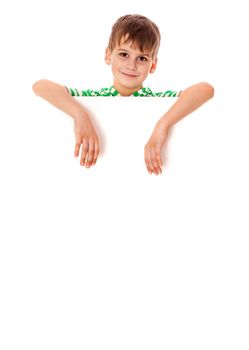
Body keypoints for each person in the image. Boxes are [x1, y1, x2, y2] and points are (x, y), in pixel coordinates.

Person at [32, 14, 214, 175]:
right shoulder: (95, 97)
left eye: (142, 58)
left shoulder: (158, 99)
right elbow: (40, 86)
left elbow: (206, 89)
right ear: (108, 55)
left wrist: (162, 125)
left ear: (153, 65)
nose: (131, 65)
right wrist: (80, 115)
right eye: (124, 54)